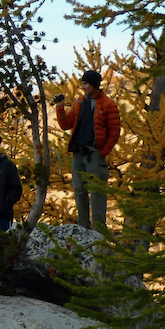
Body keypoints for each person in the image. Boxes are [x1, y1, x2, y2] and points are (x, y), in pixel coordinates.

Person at [54, 68, 121, 230]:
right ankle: (83, 228)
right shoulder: (79, 102)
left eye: (85, 84)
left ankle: (99, 230)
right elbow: (65, 124)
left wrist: (102, 152)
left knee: (98, 192)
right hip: (78, 153)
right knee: (79, 190)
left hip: (94, 154)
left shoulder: (109, 105)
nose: (82, 87)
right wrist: (60, 108)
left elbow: (114, 132)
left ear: (93, 85)